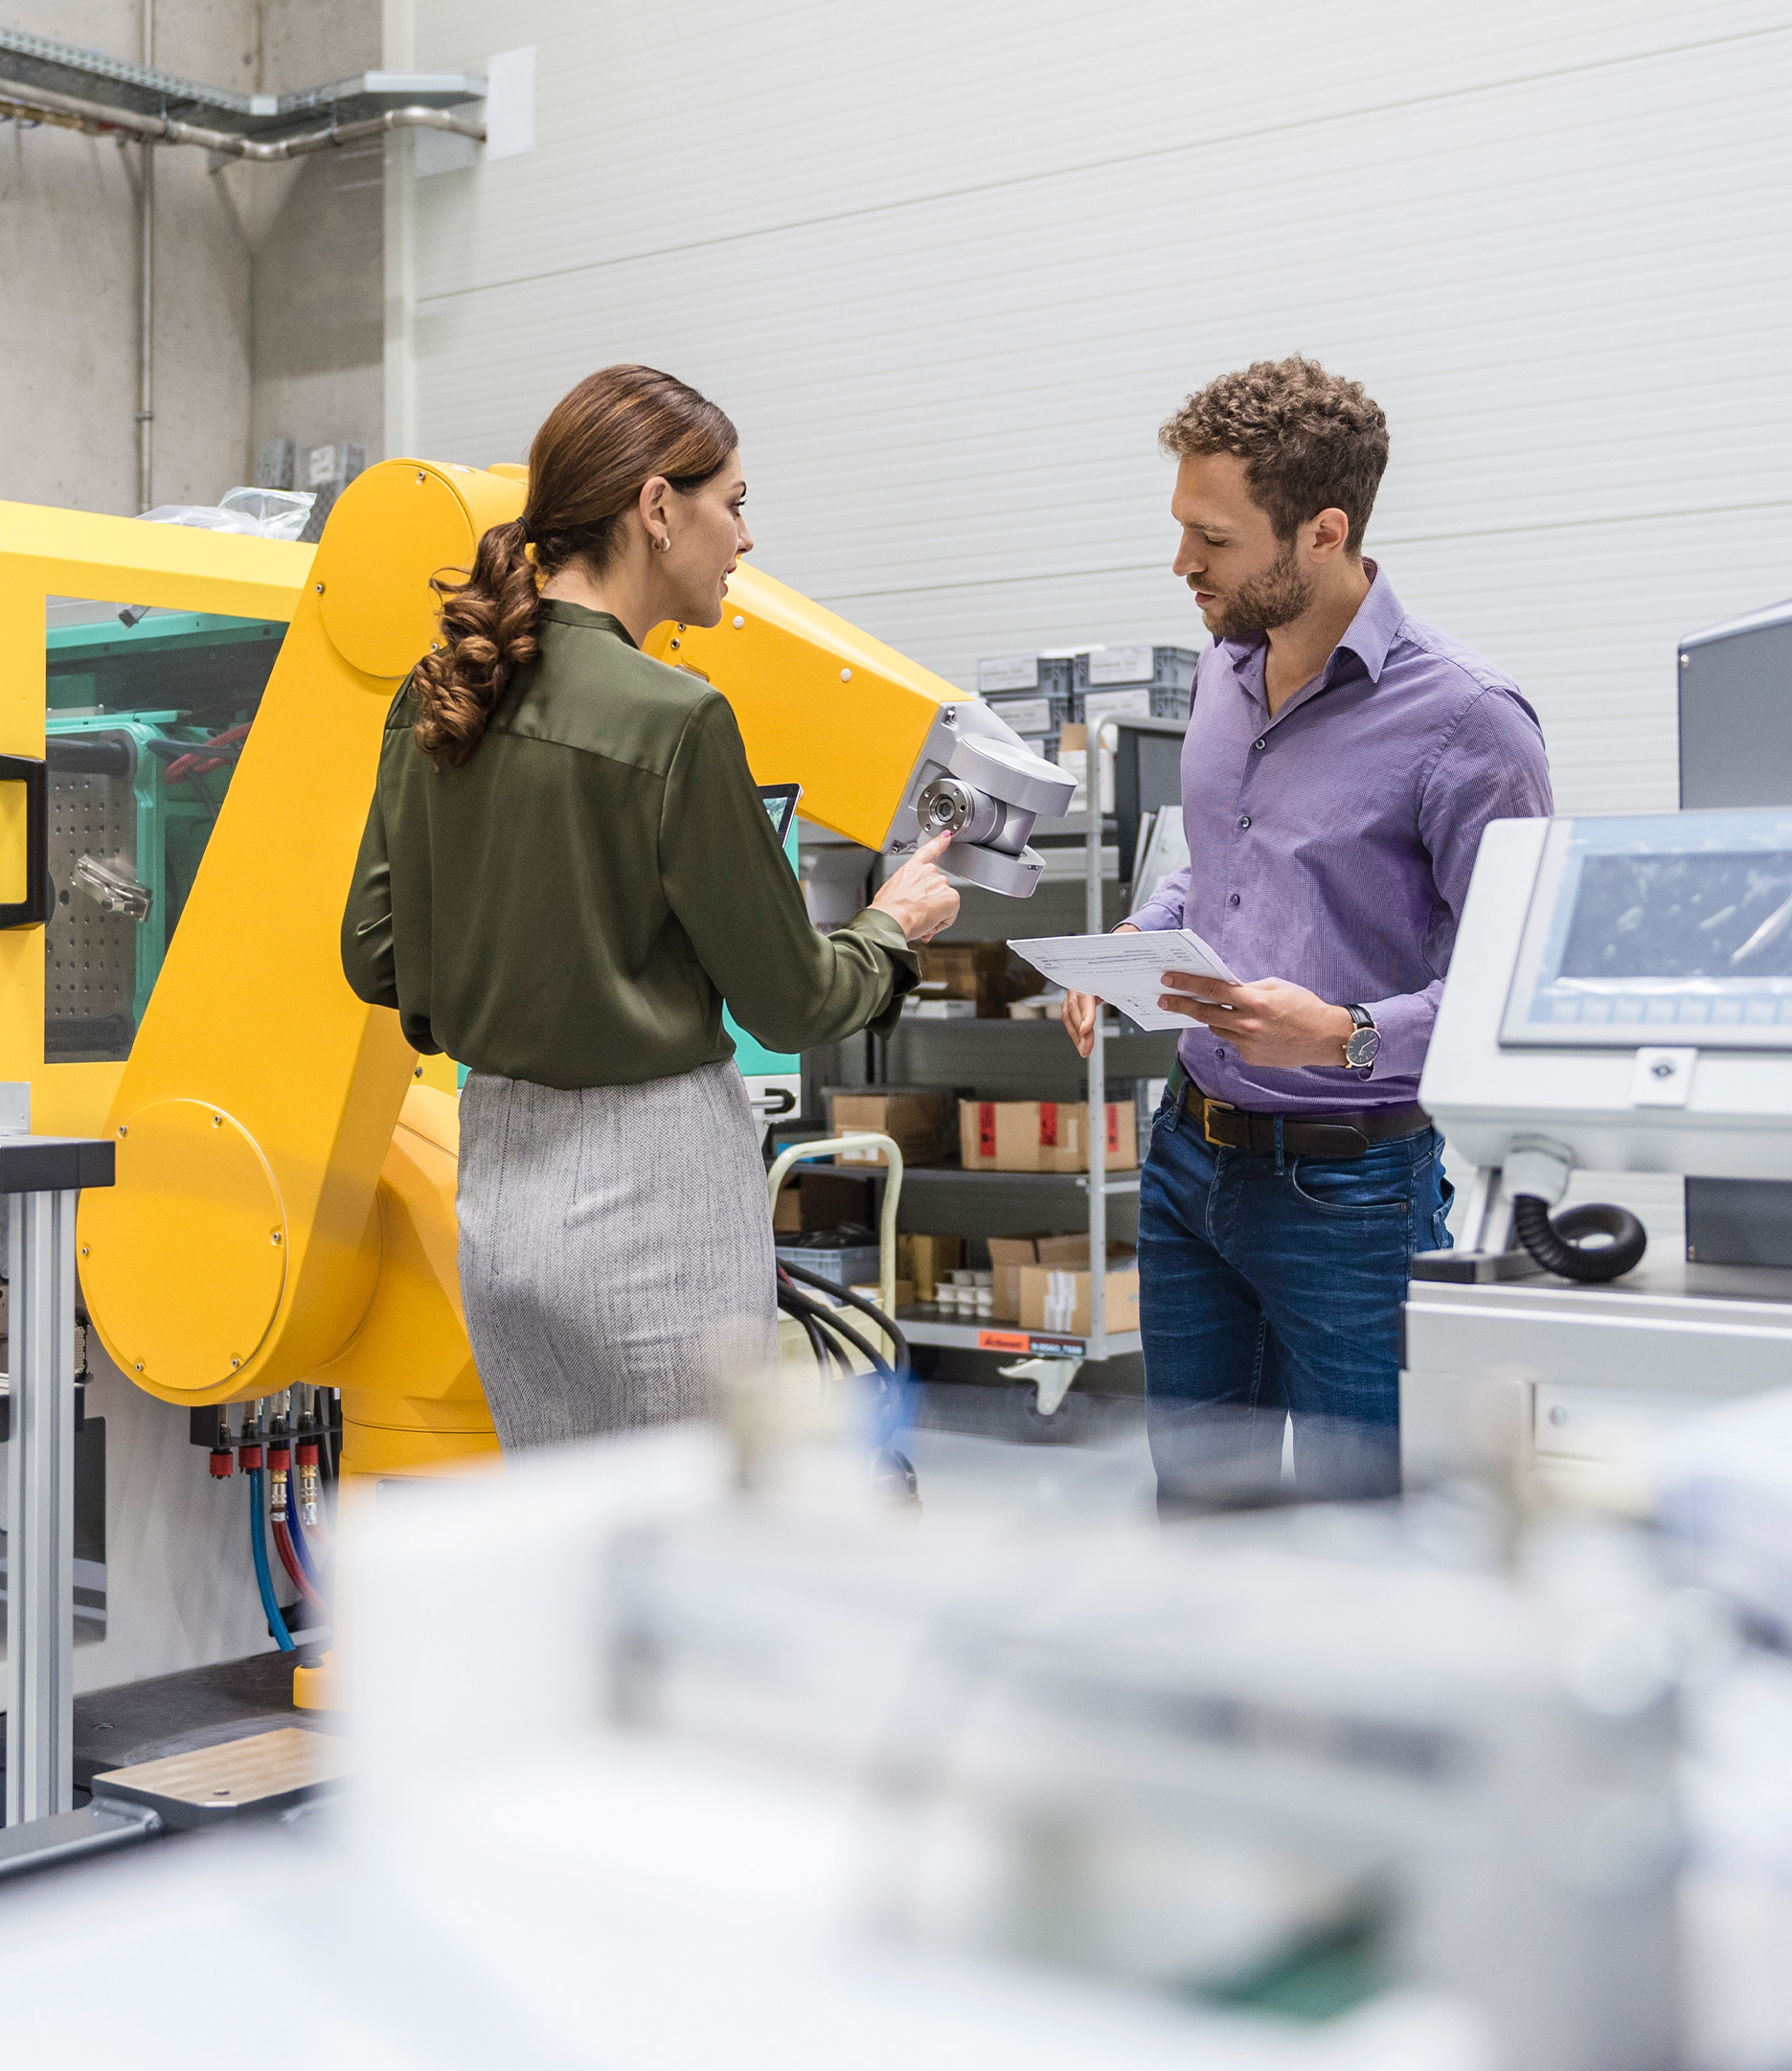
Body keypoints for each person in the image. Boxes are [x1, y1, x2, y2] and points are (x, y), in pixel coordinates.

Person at [343, 364, 966, 1450]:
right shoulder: (678, 718)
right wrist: (893, 925)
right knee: (683, 1549)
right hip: (654, 1192)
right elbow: (795, 1001)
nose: (744, 538)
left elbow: (377, 954)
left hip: (498, 1183)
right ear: (656, 508)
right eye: (733, 503)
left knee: (571, 1533)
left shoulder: (441, 692)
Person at [1064, 356, 1551, 1502]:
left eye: (1214, 538)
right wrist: (1142, 936)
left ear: (1323, 530)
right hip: (1188, 1163)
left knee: (1363, 1543)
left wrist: (1343, 1034)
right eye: (1183, 527)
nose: (1182, 562)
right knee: (1197, 1513)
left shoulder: (1471, 723)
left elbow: (1514, 988)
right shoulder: (1223, 674)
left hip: (1355, 1198)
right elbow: (1222, 874)